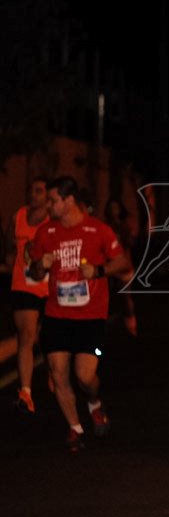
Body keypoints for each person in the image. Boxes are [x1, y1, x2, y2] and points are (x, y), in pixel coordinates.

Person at [28, 176, 133, 450]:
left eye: (53, 200)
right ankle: (75, 427)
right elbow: (34, 272)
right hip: (56, 313)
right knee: (58, 372)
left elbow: (123, 262)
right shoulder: (46, 233)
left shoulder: (98, 230)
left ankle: (95, 403)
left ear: (69, 200)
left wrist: (98, 271)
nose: (48, 205)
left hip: (90, 315)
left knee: (85, 377)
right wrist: (42, 264)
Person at [5, 177, 50, 413]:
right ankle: (26, 392)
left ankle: (56, 372)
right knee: (26, 335)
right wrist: (10, 255)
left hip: (50, 287)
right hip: (24, 285)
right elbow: (8, 240)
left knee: (49, 336)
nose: (33, 195)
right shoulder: (19, 216)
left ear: (47, 195)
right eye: (30, 191)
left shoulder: (54, 219)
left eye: (38, 191)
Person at [103, 199, 138, 335]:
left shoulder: (124, 227)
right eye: (111, 208)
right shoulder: (105, 227)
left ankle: (130, 324)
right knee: (109, 296)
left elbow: (130, 244)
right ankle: (109, 324)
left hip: (123, 267)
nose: (113, 211)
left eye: (116, 208)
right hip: (109, 266)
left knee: (125, 296)